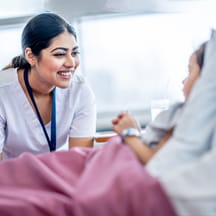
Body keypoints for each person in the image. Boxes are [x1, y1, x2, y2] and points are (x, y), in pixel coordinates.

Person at [0, 13, 96, 160]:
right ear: (31, 56)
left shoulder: (80, 90)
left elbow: (80, 161)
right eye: (59, 54)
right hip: (9, 178)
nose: (71, 63)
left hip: (54, 176)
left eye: (75, 53)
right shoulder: (3, 91)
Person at [112, 41, 206, 165]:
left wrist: (129, 133)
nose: (183, 81)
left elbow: (156, 162)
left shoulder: (190, 119)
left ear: (207, 80)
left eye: (189, 72)